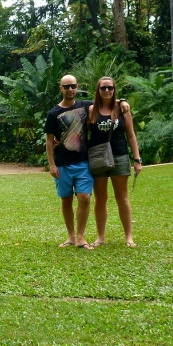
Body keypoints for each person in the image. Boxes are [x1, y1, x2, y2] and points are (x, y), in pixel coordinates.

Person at [87, 77, 143, 248]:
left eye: (110, 88)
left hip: (119, 156)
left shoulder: (122, 109)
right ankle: (100, 237)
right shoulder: (91, 110)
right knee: (100, 198)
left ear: (114, 90)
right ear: (98, 90)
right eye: (103, 88)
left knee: (122, 197)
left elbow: (131, 135)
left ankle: (129, 236)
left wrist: (137, 159)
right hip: (98, 158)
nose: (107, 91)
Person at [44, 75, 96, 250]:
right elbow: (49, 141)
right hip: (62, 164)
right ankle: (71, 236)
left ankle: (81, 237)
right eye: (66, 86)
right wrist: (52, 164)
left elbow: (106, 101)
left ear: (77, 87)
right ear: (61, 89)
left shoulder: (85, 105)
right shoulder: (53, 114)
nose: (70, 89)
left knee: (85, 197)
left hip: (83, 162)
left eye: (73, 86)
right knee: (66, 200)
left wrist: (122, 102)